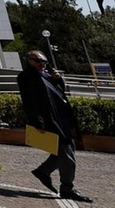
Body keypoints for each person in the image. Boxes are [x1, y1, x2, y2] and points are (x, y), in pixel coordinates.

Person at [19, 50, 91, 202]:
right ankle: (67, 188)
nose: (42, 65)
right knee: (66, 153)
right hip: (50, 120)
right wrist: (37, 122)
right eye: (38, 61)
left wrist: (58, 80)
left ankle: (44, 171)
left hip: (63, 119)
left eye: (44, 62)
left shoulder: (48, 76)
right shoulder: (27, 77)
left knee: (68, 149)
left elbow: (60, 93)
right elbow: (29, 101)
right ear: (29, 61)